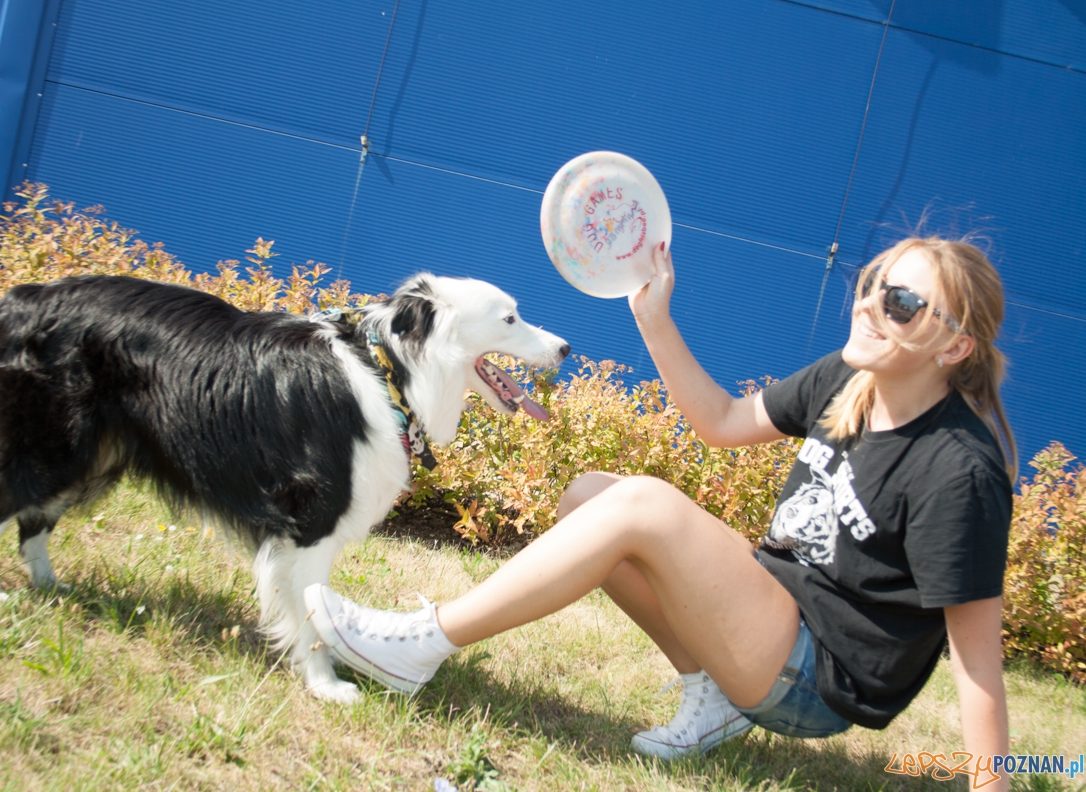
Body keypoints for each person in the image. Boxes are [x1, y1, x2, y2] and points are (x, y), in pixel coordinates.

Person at [305, 237, 1015, 775]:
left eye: (901, 303)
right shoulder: (848, 380)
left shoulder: (959, 471)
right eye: (872, 283)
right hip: (780, 609)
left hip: (817, 677)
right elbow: (726, 424)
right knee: (590, 497)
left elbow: (977, 657)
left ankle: (420, 645)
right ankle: (711, 694)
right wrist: (654, 320)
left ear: (955, 344)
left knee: (643, 507)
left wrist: (993, 783)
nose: (867, 305)